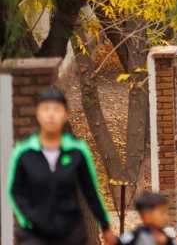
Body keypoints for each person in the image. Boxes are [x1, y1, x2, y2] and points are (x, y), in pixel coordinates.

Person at [7, 87, 118, 245]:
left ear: (66, 114)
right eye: (46, 109)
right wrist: (29, 219)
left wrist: (105, 227)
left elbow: (91, 192)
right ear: (38, 114)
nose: (51, 115)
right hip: (34, 233)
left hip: (71, 232)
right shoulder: (24, 152)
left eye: (57, 109)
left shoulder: (77, 151)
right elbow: (15, 191)